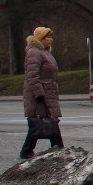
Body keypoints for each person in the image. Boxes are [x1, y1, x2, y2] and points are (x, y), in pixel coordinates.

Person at [21, 27, 64, 159]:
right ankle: (58, 149)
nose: (50, 39)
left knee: (46, 121)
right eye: (47, 37)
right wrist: (39, 93)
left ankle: (56, 148)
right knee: (41, 122)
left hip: (47, 91)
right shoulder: (35, 53)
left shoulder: (43, 52)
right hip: (41, 94)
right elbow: (32, 75)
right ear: (40, 39)